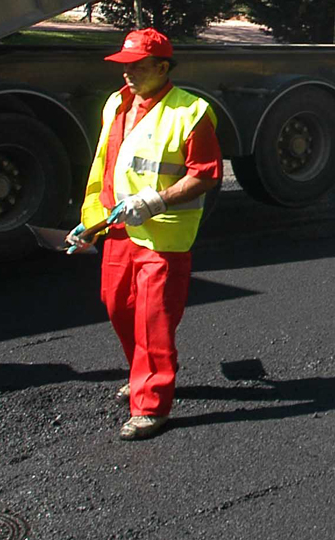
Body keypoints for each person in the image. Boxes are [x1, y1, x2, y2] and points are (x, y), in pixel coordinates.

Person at [67, 28, 221, 441]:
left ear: (162, 67)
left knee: (154, 319)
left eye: (136, 66)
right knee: (118, 306)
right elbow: (104, 166)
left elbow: (205, 175)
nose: (127, 74)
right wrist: (92, 223)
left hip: (165, 236)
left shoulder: (191, 112)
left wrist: (155, 202)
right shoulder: (116, 104)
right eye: (124, 66)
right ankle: (143, 373)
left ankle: (151, 404)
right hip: (118, 229)